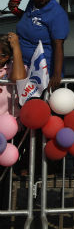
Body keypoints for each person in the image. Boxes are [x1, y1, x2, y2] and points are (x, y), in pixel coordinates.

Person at [8, 0, 69, 90]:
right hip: (22, 67)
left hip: (42, 74)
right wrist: (15, 10)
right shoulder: (32, 3)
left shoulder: (57, 14)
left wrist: (56, 76)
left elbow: (58, 46)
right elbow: (30, 21)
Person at [0, 32, 26, 214]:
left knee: (2, 179)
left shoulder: (14, 68)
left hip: (6, 132)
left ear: (7, 56)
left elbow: (18, 79)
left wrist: (16, 47)